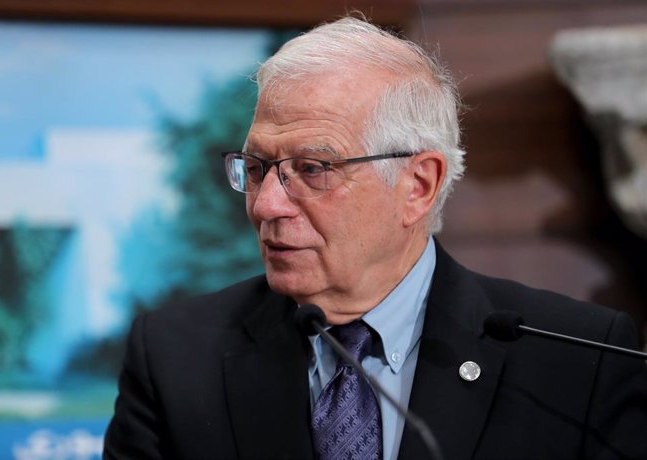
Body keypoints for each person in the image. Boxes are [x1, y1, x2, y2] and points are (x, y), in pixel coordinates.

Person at [104, 16, 647, 460]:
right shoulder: (176, 357)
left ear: (418, 185)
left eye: (312, 168)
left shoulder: (580, 360)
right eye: (257, 166)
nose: (266, 203)